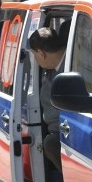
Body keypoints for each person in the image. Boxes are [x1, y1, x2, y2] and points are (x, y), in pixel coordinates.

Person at [28, 26, 67, 171]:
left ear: (41, 53)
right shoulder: (50, 68)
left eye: (35, 55)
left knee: (50, 143)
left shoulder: (71, 67)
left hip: (65, 134)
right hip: (53, 129)